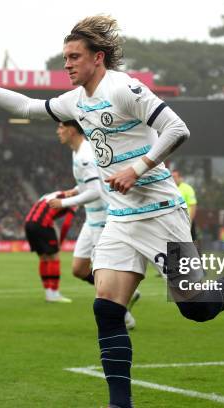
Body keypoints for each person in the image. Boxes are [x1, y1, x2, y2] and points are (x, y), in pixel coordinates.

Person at [0, 16, 224, 408]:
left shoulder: (125, 89)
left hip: (161, 212)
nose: (67, 65)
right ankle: (119, 403)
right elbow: (28, 106)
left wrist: (139, 167)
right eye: (65, 58)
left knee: (196, 308)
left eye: (74, 57)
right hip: (121, 219)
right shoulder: (75, 101)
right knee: (106, 308)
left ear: (98, 57)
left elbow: (178, 129)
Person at [48, 120, 139, 329]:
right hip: (92, 220)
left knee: (102, 274)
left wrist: (64, 202)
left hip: (103, 220)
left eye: (61, 127)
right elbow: (91, 182)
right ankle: (130, 293)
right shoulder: (78, 151)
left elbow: (96, 191)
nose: (58, 131)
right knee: (79, 269)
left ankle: (123, 314)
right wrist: (76, 190)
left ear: (72, 130)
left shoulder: (86, 155)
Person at [24, 192, 75, 303]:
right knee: (54, 258)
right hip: (42, 225)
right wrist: (60, 242)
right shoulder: (72, 200)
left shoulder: (52, 194)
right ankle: (55, 293)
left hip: (29, 224)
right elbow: (66, 224)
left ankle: (48, 293)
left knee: (44, 258)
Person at [172, 169, 198, 241]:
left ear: (180, 178)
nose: (173, 179)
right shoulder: (170, 189)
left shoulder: (188, 188)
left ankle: (196, 252)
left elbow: (193, 206)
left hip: (186, 220)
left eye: (175, 177)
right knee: (173, 243)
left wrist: (190, 221)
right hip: (174, 221)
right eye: (172, 177)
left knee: (190, 243)